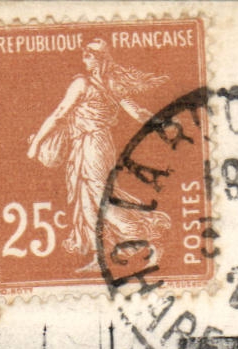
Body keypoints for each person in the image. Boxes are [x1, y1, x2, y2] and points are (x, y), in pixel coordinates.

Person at [27, 39, 172, 267]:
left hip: (92, 145)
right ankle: (99, 253)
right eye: (84, 55)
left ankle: (140, 233)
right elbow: (136, 110)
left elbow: (59, 113)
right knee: (86, 197)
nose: (84, 59)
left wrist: (36, 142)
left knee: (96, 195)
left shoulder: (82, 84)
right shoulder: (110, 84)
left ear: (98, 58)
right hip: (91, 144)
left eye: (88, 55)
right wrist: (158, 122)